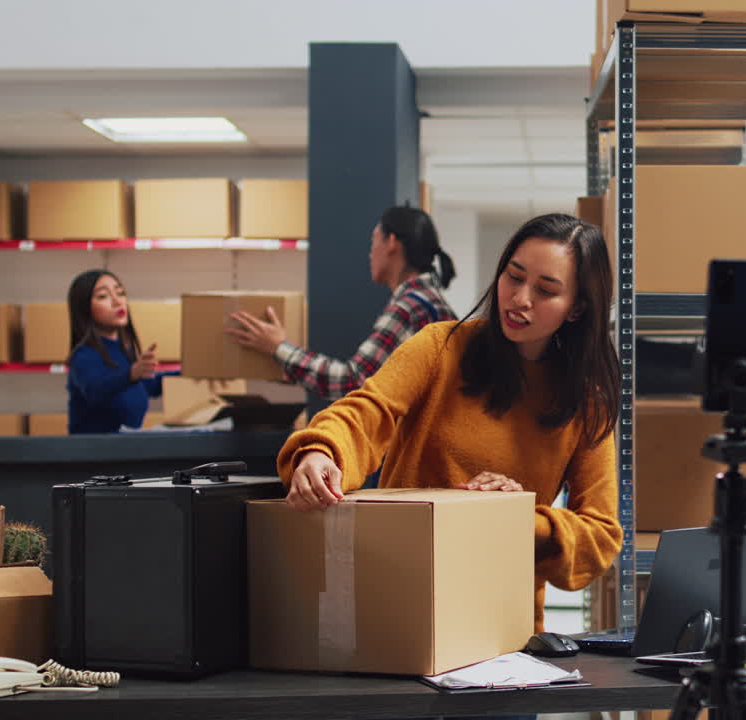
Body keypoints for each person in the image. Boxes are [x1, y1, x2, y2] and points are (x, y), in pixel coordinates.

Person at [276, 213, 622, 632]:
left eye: (546, 290)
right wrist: (319, 451)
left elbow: (600, 537)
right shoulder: (440, 347)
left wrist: (514, 516)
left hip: (502, 624)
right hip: (401, 598)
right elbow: (367, 412)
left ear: (576, 309)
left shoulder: (586, 401)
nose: (520, 298)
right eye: (514, 277)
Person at [227, 206, 458, 401]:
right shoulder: (432, 301)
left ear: (391, 243)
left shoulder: (409, 307)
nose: (370, 254)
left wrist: (278, 348)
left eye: (373, 242)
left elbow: (354, 382)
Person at [66, 269, 177, 434]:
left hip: (126, 448)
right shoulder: (82, 356)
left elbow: (149, 385)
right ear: (84, 308)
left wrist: (192, 371)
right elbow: (95, 390)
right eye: (103, 296)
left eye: (120, 292)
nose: (117, 301)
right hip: (94, 454)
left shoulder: (124, 350)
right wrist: (132, 374)